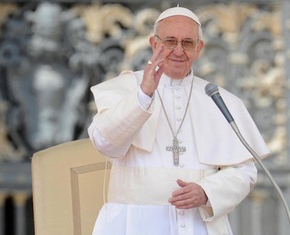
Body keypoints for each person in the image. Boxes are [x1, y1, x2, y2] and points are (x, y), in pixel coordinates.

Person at [87, 6, 270, 235]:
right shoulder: (125, 90)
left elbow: (245, 171)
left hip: (199, 225)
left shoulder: (219, 99)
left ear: (199, 48)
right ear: (154, 44)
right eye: (170, 41)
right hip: (133, 225)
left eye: (187, 43)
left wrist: (207, 192)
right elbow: (105, 143)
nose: (178, 51)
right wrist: (143, 95)